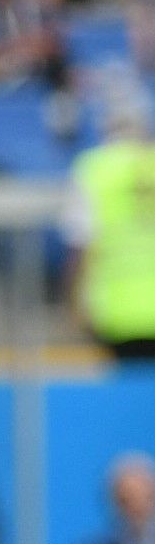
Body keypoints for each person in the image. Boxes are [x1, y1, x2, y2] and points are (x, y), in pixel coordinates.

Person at [65, 102, 155, 359]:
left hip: (115, 310)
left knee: (128, 382)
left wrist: (72, 301)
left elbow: (80, 243)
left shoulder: (93, 169)